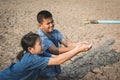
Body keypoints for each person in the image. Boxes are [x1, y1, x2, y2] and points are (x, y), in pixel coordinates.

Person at [0, 32, 92, 80]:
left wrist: (78, 45)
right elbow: (58, 61)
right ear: (30, 49)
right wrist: (78, 49)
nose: (43, 46)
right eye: (40, 44)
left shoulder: (38, 52)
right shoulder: (32, 59)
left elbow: (56, 57)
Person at [37, 10, 92, 80]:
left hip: (56, 66)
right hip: (46, 69)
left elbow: (67, 43)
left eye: (52, 22)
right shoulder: (41, 38)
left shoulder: (55, 32)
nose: (51, 25)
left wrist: (80, 44)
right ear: (40, 25)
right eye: (48, 23)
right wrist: (78, 48)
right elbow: (55, 51)